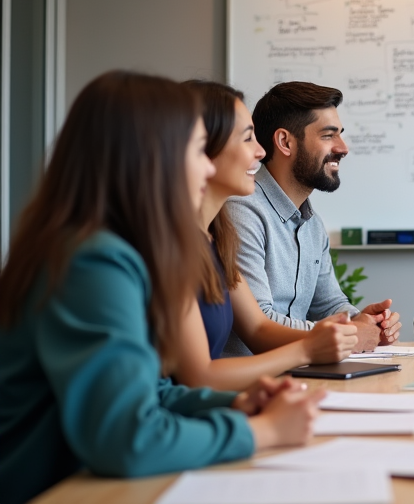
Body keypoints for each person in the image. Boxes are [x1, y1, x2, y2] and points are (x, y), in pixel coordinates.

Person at [0, 72, 323, 504]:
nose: (208, 166)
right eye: (196, 150)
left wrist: (232, 405)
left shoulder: (102, 247)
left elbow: (150, 392)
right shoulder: (93, 261)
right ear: (151, 159)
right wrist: (260, 430)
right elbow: (127, 439)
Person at [172, 81, 359, 391]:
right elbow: (201, 375)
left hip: (256, 391)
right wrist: (318, 343)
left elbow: (261, 324)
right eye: (247, 138)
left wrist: (359, 324)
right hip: (238, 393)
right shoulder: (184, 240)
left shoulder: (212, 235)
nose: (260, 151)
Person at [223, 81, 400, 356]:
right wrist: (350, 334)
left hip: (298, 375)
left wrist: (365, 322)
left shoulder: (312, 223)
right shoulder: (242, 210)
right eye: (329, 135)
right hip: (253, 383)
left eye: (340, 134)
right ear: (285, 142)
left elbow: (328, 304)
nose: (343, 148)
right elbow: (261, 322)